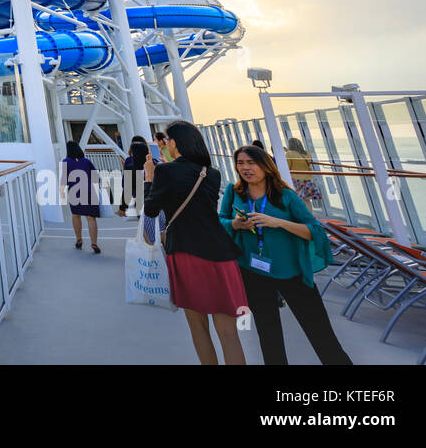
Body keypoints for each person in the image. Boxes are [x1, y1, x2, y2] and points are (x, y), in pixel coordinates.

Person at [221, 145, 352, 365]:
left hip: (291, 272)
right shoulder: (233, 192)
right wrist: (234, 224)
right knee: (268, 334)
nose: (245, 168)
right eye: (240, 163)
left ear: (265, 166)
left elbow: (315, 231)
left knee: (320, 334)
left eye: (251, 163)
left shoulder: (285, 196)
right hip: (253, 271)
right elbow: (221, 221)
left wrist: (277, 222)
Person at [144, 121, 247, 365]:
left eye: (167, 140)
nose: (165, 144)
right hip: (222, 256)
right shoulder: (211, 173)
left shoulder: (165, 172)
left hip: (187, 253)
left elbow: (150, 209)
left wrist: (150, 177)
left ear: (174, 143)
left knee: (199, 329)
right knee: (229, 334)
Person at [62, 141, 101, 253]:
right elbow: (96, 178)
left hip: (74, 191)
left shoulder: (66, 162)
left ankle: (79, 239)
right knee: (90, 217)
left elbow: (64, 179)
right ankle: (94, 243)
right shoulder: (86, 161)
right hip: (89, 190)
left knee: (76, 215)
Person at [284, 137, 322, 208]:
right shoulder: (307, 153)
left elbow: (287, 167)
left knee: (297, 200)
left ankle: (301, 217)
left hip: (296, 180)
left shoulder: (288, 154)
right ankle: (309, 216)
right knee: (307, 200)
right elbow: (309, 162)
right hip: (308, 179)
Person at [119, 136, 148, 217]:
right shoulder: (153, 162)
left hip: (139, 198)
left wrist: (123, 207)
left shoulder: (129, 162)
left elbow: (127, 187)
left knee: (144, 224)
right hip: (152, 200)